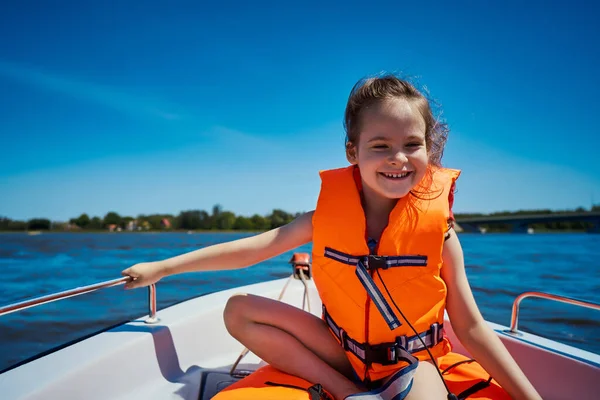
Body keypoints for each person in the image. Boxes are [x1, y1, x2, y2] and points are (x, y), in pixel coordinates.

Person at [121, 74, 542, 400]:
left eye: (412, 144)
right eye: (380, 145)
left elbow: (470, 329)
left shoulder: (442, 233)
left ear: (428, 152)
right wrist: (163, 268)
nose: (397, 158)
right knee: (238, 310)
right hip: (343, 353)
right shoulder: (322, 219)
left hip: (412, 359)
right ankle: (346, 392)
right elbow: (249, 251)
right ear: (352, 152)